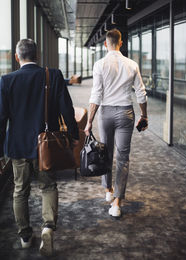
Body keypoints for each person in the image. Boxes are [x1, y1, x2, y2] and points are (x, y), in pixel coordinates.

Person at [0, 39, 79, 256]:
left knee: (19, 191)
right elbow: (67, 109)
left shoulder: (6, 81)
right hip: (46, 146)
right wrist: (73, 136)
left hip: (17, 146)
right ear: (37, 54)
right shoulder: (52, 75)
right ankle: (48, 227)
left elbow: (1, 118)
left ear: (17, 57)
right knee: (48, 186)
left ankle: (25, 236)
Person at [85, 29, 148, 218]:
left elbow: (96, 95)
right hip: (125, 112)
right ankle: (117, 202)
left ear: (106, 44)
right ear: (121, 43)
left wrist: (89, 122)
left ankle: (108, 190)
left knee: (105, 152)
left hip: (105, 113)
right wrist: (144, 115)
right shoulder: (132, 64)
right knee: (123, 158)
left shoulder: (100, 64)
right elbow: (141, 93)